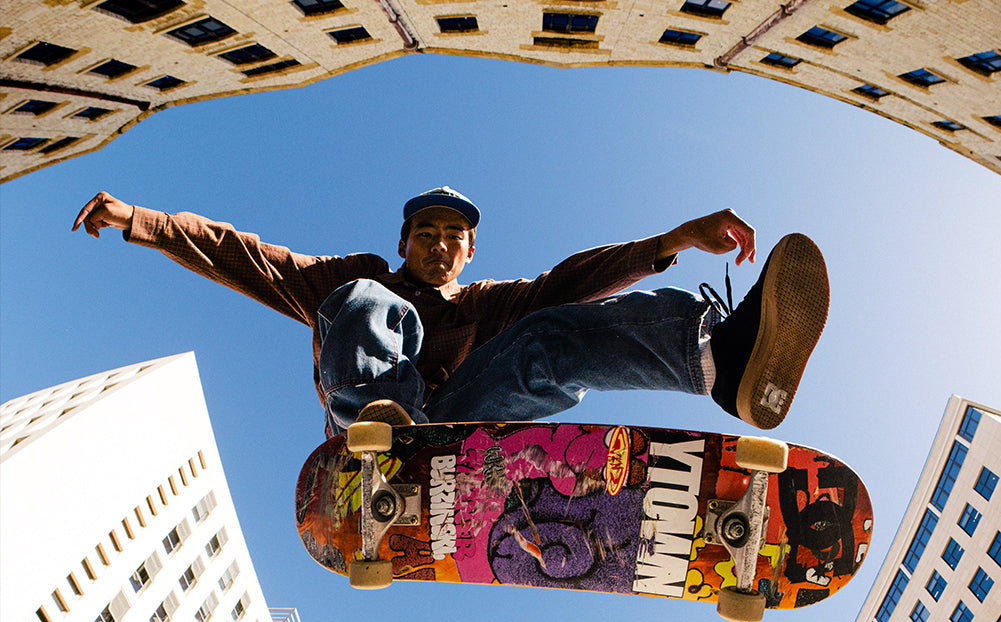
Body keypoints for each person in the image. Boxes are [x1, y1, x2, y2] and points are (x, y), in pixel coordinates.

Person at [72, 184, 828, 437]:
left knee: (547, 332)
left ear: (468, 252)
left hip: (461, 421)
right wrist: (144, 221)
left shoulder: (485, 303)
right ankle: (380, 427)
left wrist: (668, 242)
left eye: (453, 238)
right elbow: (249, 257)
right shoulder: (363, 277)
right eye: (426, 234)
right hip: (367, 435)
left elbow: (571, 280)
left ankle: (720, 362)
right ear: (404, 242)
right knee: (364, 299)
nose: (439, 245)